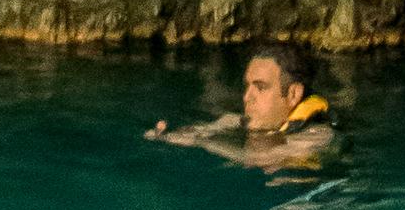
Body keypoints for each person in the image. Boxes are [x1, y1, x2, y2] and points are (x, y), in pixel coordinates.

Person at [144, 50, 337, 166]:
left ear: (293, 94)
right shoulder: (233, 120)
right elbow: (204, 130)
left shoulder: (317, 135)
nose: (246, 97)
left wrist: (202, 142)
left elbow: (261, 159)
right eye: (247, 86)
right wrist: (165, 136)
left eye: (261, 88)